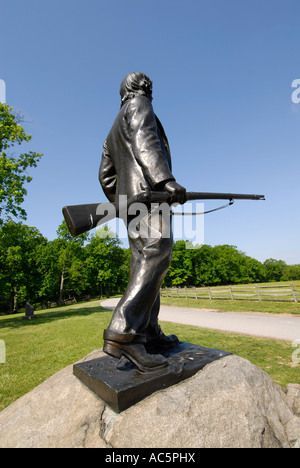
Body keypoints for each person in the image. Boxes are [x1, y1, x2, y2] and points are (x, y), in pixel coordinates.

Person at [99, 72, 187, 372]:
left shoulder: (113, 127)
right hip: (150, 198)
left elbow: (106, 175)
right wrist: (165, 180)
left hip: (132, 203)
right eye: (147, 85)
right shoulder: (140, 105)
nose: (151, 89)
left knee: (145, 265)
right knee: (156, 254)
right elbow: (145, 140)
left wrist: (123, 202)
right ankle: (124, 333)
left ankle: (147, 332)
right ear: (139, 89)